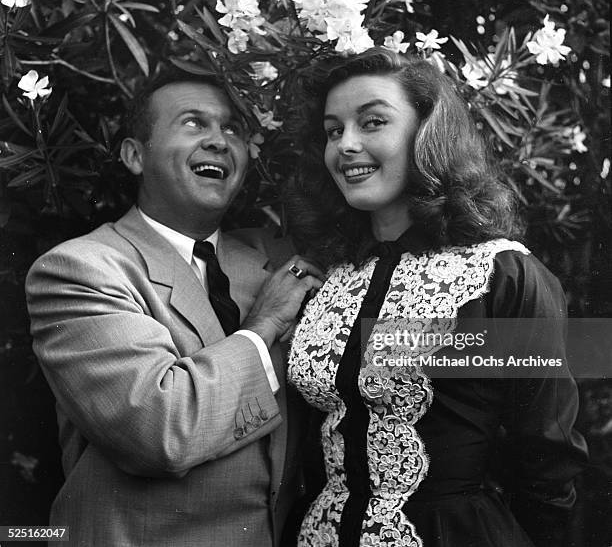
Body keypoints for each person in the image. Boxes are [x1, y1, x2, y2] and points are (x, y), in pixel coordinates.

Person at [285, 48, 588, 547]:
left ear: (428, 134)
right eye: (333, 130)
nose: (346, 145)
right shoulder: (328, 275)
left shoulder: (502, 276)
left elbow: (546, 460)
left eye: (373, 122)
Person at [25, 70, 323, 546]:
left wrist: (485, 335)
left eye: (233, 129)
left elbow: (384, 363)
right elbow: (159, 429)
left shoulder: (274, 269)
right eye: (193, 124)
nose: (219, 142)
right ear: (134, 156)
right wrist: (263, 326)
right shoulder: (80, 269)